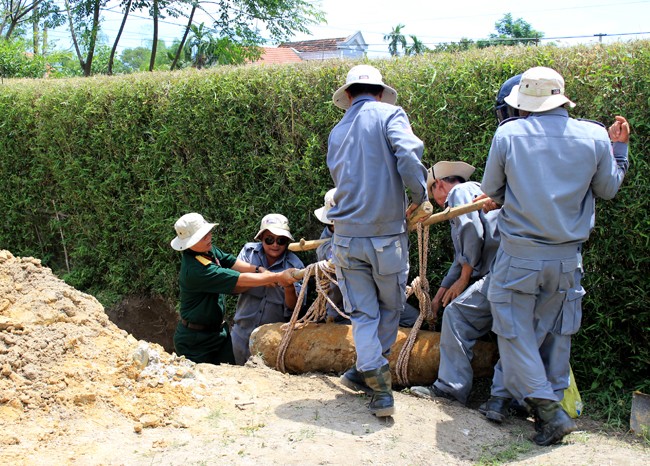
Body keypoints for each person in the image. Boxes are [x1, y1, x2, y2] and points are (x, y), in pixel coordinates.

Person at [480, 66, 630, 446]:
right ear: (562, 97)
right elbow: (609, 189)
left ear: (524, 103)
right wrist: (620, 152)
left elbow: (492, 190)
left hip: (519, 256)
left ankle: (549, 412)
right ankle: (530, 404)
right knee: (546, 333)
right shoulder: (595, 135)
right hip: (567, 261)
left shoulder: (509, 133)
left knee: (515, 335)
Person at [326, 64, 431, 417]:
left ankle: (367, 374)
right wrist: (419, 195)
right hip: (387, 238)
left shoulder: (337, 131)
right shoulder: (391, 114)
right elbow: (409, 155)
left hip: (345, 239)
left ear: (350, 94)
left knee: (363, 314)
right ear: (381, 92)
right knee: (389, 308)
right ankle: (379, 385)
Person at [409, 161, 500, 407]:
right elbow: (461, 259)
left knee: (456, 315)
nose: (437, 200)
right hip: (508, 270)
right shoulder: (474, 191)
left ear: (439, 184)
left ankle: (451, 388)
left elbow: (471, 232)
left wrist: (463, 279)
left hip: (499, 273)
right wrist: (437, 299)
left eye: (432, 194)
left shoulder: (460, 193)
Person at [171, 212, 299, 365]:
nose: (208, 237)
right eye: (201, 236)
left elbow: (231, 262)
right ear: (189, 243)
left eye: (207, 233)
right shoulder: (196, 271)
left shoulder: (207, 251)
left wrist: (259, 270)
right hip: (196, 340)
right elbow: (238, 279)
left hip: (218, 334)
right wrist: (276, 277)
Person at [315, 188, 419, 327]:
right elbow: (336, 256)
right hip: (346, 308)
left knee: (413, 319)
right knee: (366, 325)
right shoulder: (326, 245)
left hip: (381, 300)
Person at [231, 214, 305, 365]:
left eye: (281, 240)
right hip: (240, 336)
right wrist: (265, 278)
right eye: (269, 239)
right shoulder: (248, 253)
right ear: (261, 238)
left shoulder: (296, 266)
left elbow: (295, 308)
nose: (275, 245)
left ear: (287, 242)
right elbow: (235, 287)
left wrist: (288, 286)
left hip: (272, 341)